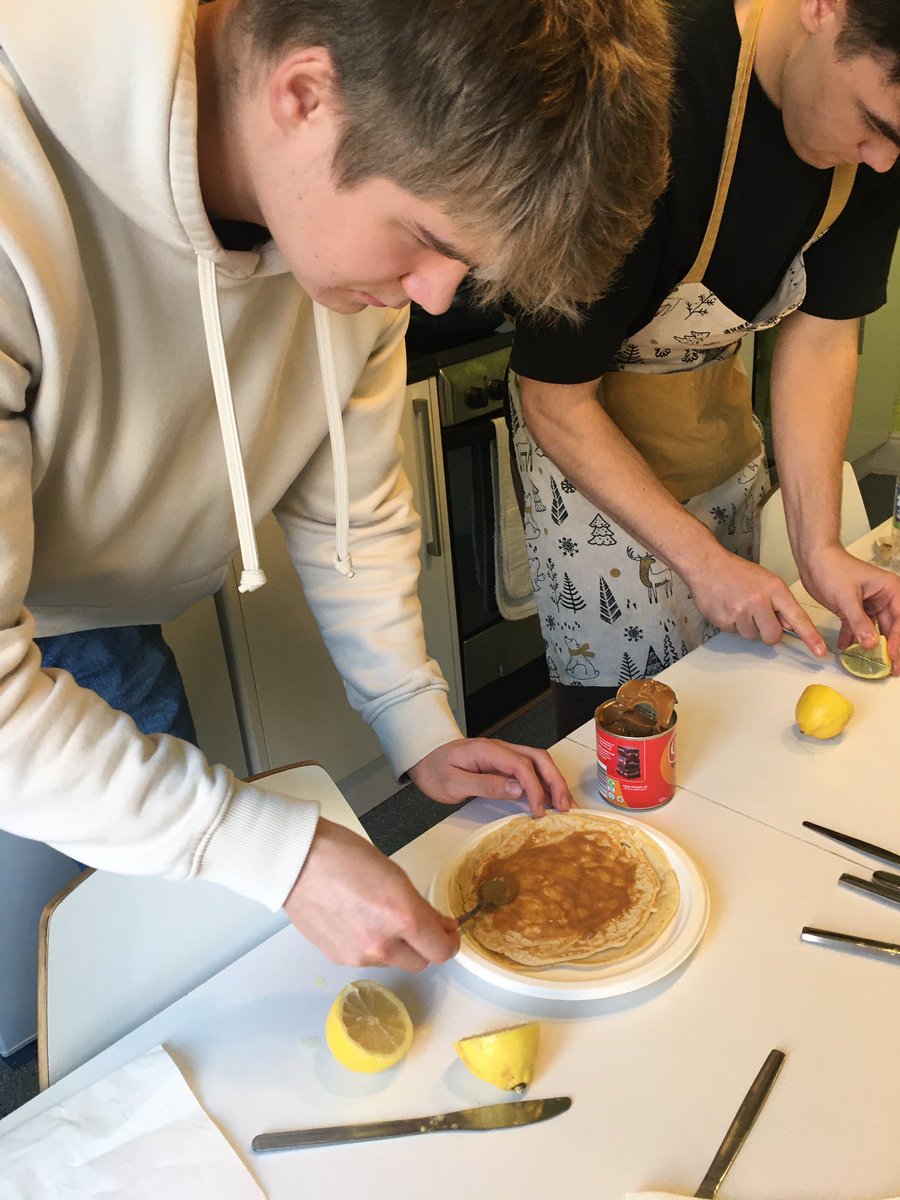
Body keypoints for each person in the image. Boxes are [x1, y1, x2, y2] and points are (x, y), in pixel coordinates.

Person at [0, 0, 674, 971]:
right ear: (305, 96)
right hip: (41, 630)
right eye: (425, 236)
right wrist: (285, 856)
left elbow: (350, 504)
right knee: (99, 966)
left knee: (186, 940)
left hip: (118, 600)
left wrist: (415, 719)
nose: (440, 296)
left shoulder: (361, 217)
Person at [508, 0, 900, 738]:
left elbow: (820, 340)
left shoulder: (884, 144)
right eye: (875, 125)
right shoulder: (642, 90)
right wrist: (700, 562)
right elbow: (555, 398)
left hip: (711, 434)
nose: (882, 162)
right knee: (627, 733)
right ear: (825, 7)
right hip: (587, 470)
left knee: (727, 712)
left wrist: (818, 547)